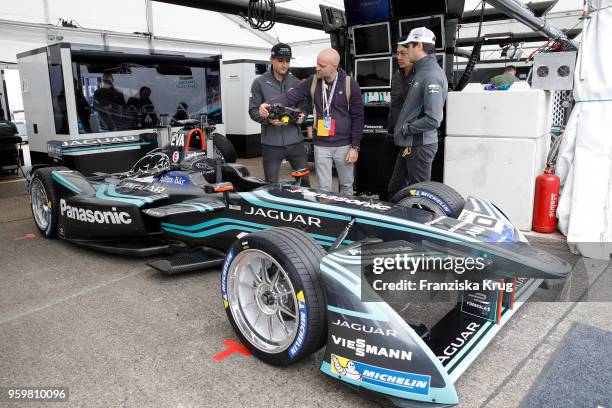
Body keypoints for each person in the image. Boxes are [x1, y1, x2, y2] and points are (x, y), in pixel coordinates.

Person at [260, 48, 364, 195]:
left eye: (322, 66)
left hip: (344, 145)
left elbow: (358, 117)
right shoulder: (313, 81)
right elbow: (291, 96)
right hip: (321, 144)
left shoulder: (349, 84)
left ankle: (347, 216)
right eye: (317, 64)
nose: (317, 68)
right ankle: (327, 216)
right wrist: (268, 104)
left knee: (347, 186)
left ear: (334, 66)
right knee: (323, 189)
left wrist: (355, 147)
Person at [388, 28, 448, 198]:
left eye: (409, 46)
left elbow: (433, 119)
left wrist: (407, 128)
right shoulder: (422, 72)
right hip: (410, 144)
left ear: (419, 45)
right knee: (396, 191)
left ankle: (423, 223)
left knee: (420, 196)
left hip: (419, 145)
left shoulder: (430, 75)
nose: (406, 50)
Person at [248, 43, 311, 185]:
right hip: (271, 144)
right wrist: (268, 120)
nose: (284, 65)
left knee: (305, 184)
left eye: (287, 61)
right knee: (271, 185)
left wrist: (303, 116)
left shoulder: (296, 82)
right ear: (271, 59)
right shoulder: (259, 82)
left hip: (296, 143)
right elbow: (252, 111)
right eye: (281, 61)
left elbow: (304, 108)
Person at [376, 35, 415, 201]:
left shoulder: (422, 76)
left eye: (403, 53)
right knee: (383, 180)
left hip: (410, 138)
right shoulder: (397, 76)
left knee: (406, 185)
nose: (399, 57)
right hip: (392, 135)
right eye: (397, 53)